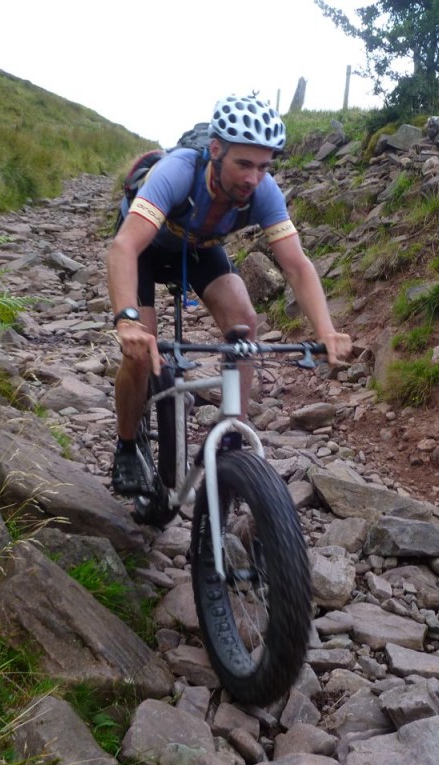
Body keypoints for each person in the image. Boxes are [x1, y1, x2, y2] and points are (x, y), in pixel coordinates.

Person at [106, 93, 353, 495]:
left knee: (244, 323)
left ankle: (233, 428)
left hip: (199, 249)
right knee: (140, 351)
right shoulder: (178, 172)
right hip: (146, 250)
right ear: (216, 151)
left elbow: (296, 264)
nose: (253, 178)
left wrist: (326, 329)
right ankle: (127, 445)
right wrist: (127, 321)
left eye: (263, 166)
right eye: (243, 164)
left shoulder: (263, 191)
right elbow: (124, 248)